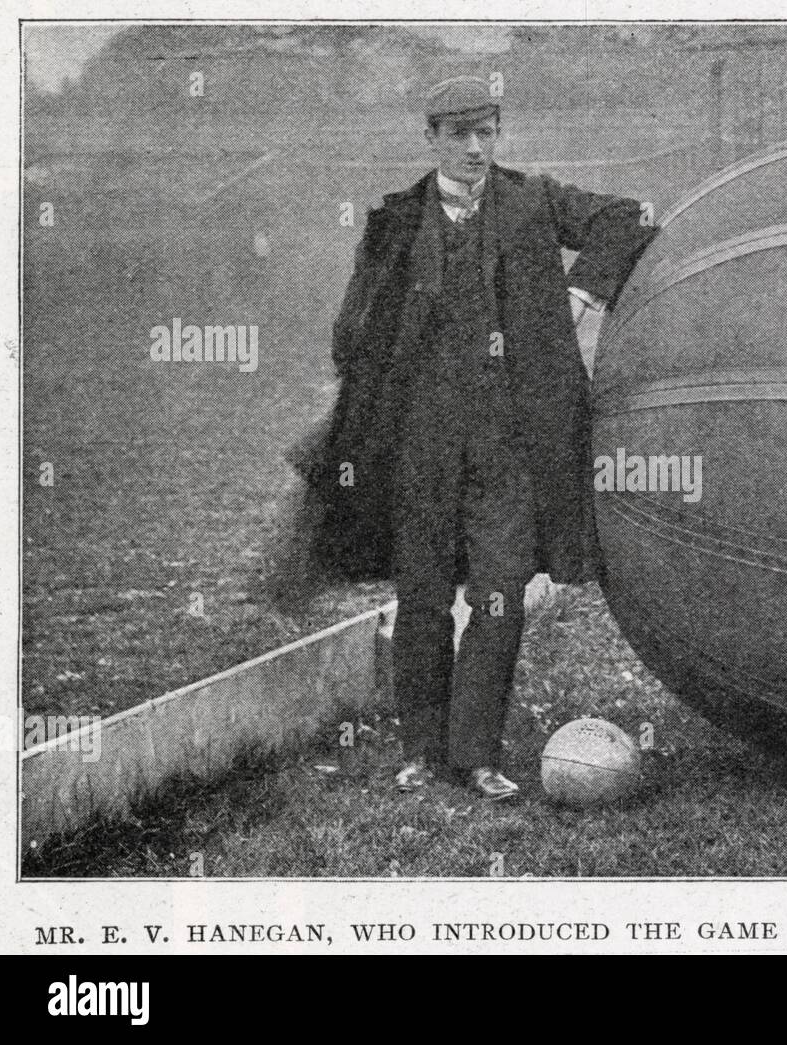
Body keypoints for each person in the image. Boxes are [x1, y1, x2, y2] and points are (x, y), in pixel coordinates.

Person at [281, 76, 657, 801]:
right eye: (460, 135)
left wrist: (580, 294)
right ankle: (422, 753)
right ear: (432, 138)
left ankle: (477, 755)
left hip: (510, 449)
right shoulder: (394, 223)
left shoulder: (534, 201)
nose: (476, 148)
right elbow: (351, 334)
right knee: (420, 598)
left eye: (487, 132)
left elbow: (629, 219)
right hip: (421, 450)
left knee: (498, 599)